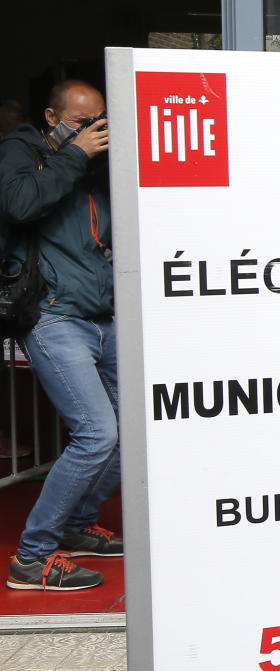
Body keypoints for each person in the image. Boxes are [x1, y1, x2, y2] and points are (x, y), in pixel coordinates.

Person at [0, 80, 121, 591]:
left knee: (133, 432)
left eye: (99, 121)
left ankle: (76, 525)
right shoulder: (20, 152)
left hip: (103, 317)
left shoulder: (94, 169)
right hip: (53, 317)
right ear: (52, 117)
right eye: (79, 121)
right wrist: (74, 154)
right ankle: (32, 557)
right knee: (97, 433)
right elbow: (21, 205)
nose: (91, 130)